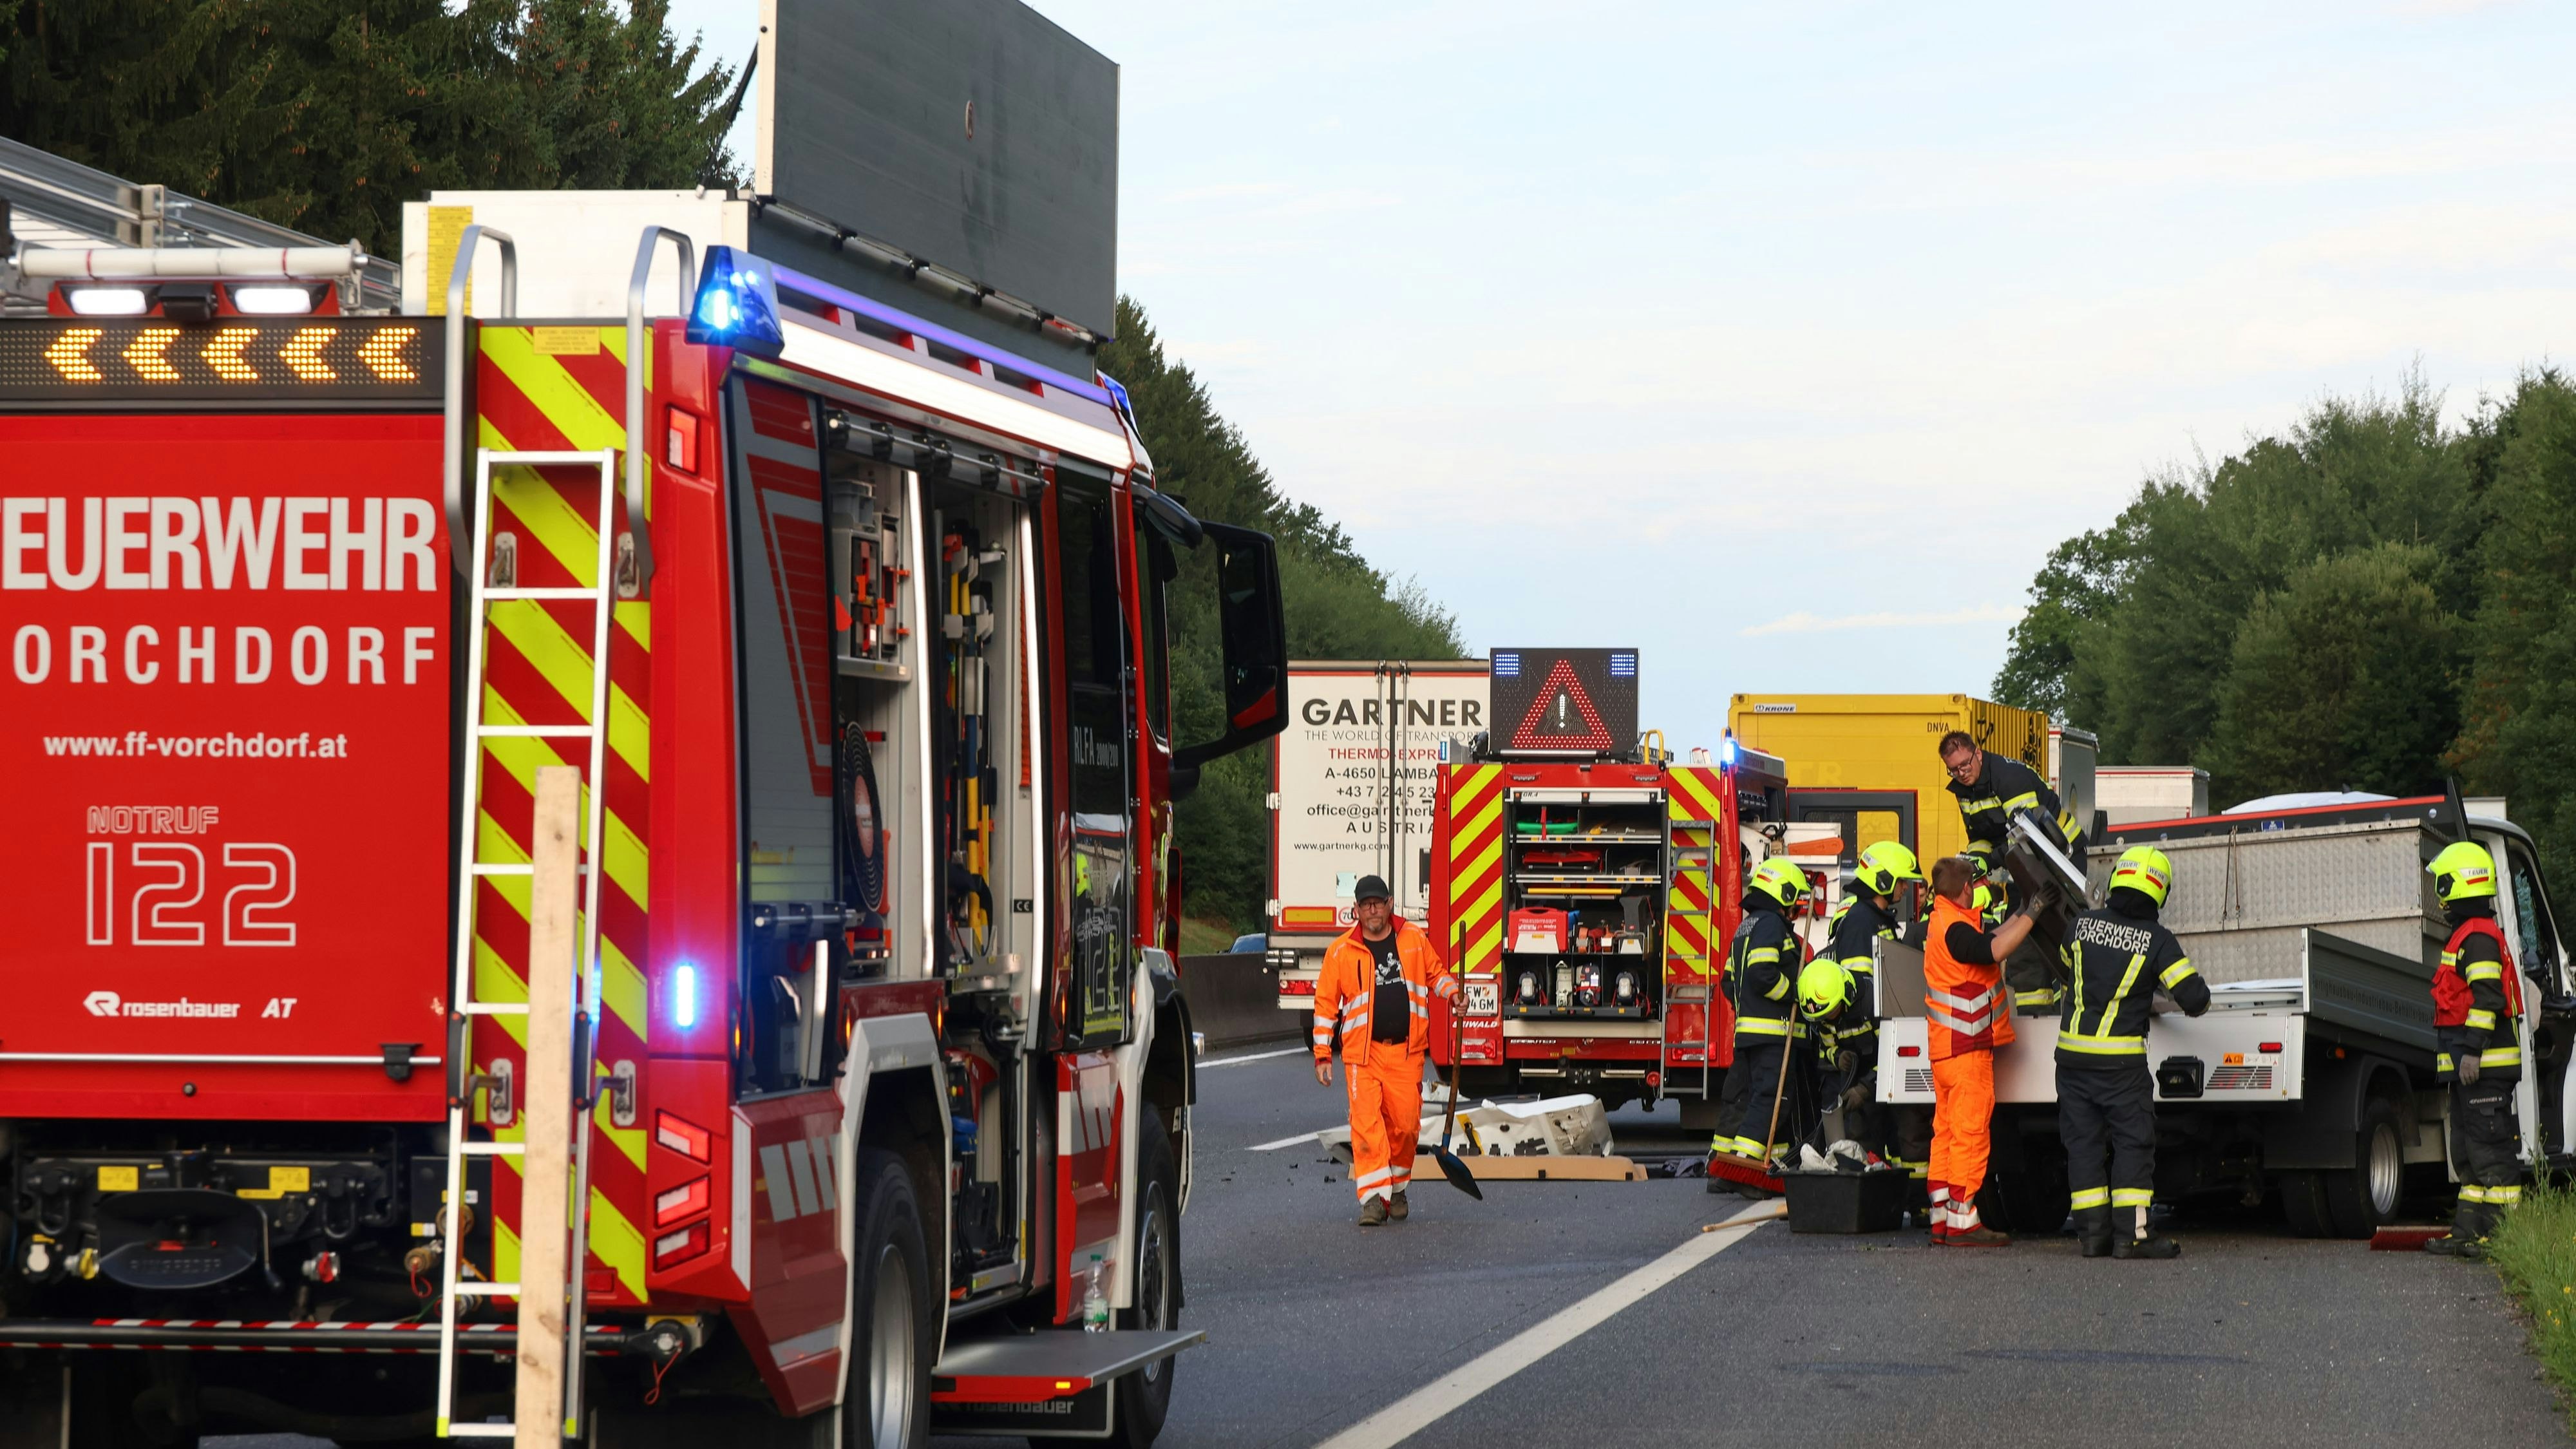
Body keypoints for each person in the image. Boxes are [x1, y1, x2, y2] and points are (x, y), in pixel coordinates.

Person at [2056, 846, 2208, 1259]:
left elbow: (2065, 963)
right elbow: (2194, 997)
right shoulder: (2156, 940)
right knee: (2132, 1144)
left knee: (2084, 1145)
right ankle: (2133, 1235)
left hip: (2070, 1059)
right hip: (2120, 1065)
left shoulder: (2082, 924)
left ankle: (2092, 1236)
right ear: (2159, 892)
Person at [1312, 875, 1461, 1227]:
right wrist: (1322, 1054)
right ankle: (1373, 1201)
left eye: (1378, 903)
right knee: (1367, 1128)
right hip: (1363, 1057)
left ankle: (1397, 1189)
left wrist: (1454, 994)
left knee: (1406, 1127)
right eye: (1366, 905)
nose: (1373, 910)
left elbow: (1436, 974)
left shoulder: (1413, 939)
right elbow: (1325, 1005)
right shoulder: (1342, 951)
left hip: (1407, 1054)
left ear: (1390, 904)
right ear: (1357, 910)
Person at [1922, 854, 2036, 1246]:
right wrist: (2034, 914)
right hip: (1967, 1049)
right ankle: (1964, 1221)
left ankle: (1942, 1216)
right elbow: (1996, 950)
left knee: (1948, 1133)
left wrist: (2023, 913)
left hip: (1947, 1048)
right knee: (1970, 1134)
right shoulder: (1955, 929)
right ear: (1966, 888)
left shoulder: (1944, 921)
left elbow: (1988, 939)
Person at [2423, 842, 2525, 1259]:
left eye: (2441, 883)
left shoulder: (2479, 937)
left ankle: (2500, 1237)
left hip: (2484, 1068)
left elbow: (2488, 999)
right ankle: (2468, 1231)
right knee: (2467, 1153)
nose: (2438, 891)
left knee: (2491, 1155)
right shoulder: (2468, 934)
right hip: (2470, 1071)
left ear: (2458, 885)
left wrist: (2472, 1051)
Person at [1937, 730, 2070, 1014]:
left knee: (2066, 933)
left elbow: (2030, 833)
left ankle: (2069, 1006)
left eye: (1965, 765)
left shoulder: (2009, 778)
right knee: (2025, 938)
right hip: (2026, 863)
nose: (1961, 773)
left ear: (1978, 754)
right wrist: (1973, 863)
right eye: (1953, 769)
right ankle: (2036, 1015)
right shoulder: (1963, 790)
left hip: (2061, 858)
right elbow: (1981, 837)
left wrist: (1991, 861)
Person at [1808, 841, 1923, 1168]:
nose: (1904, 888)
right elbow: (1866, 991)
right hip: (1871, 1044)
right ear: (1883, 881)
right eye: (1901, 881)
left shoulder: (1878, 919)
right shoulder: (1861, 921)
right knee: (1871, 1131)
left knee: (1892, 1131)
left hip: (1886, 1036)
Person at [1707, 857, 1811, 1182]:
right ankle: (1744, 1170)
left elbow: (1728, 981)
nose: (1795, 912)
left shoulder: (1746, 926)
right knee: (1771, 1098)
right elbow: (1762, 974)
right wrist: (1795, 992)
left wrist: (1747, 1008)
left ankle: (1723, 1168)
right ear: (1783, 894)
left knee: (1742, 1100)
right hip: (1773, 1034)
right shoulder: (1772, 925)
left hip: (1748, 1033)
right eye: (1794, 903)